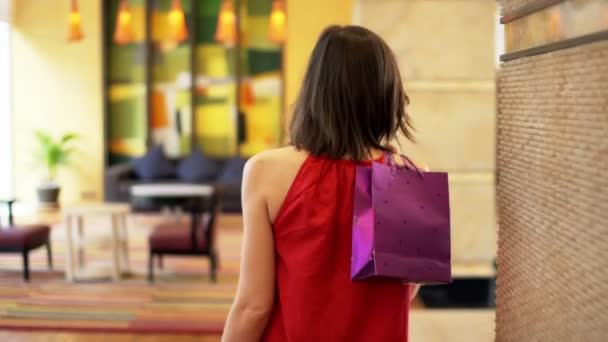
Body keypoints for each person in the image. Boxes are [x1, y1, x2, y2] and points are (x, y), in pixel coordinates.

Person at [222, 25, 420, 342]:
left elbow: (253, 307)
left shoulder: (265, 171)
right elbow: (404, 293)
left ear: (315, 90)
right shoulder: (411, 180)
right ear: (388, 94)